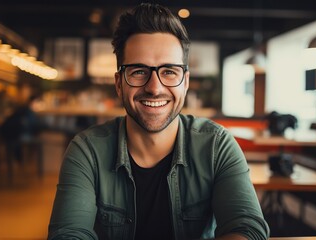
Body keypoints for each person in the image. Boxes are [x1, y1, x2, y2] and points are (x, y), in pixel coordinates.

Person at [48, 3, 269, 240]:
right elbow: (68, 234)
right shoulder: (87, 150)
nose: (154, 88)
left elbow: (247, 228)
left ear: (185, 82)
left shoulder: (216, 145)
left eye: (169, 71)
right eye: (138, 71)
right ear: (119, 83)